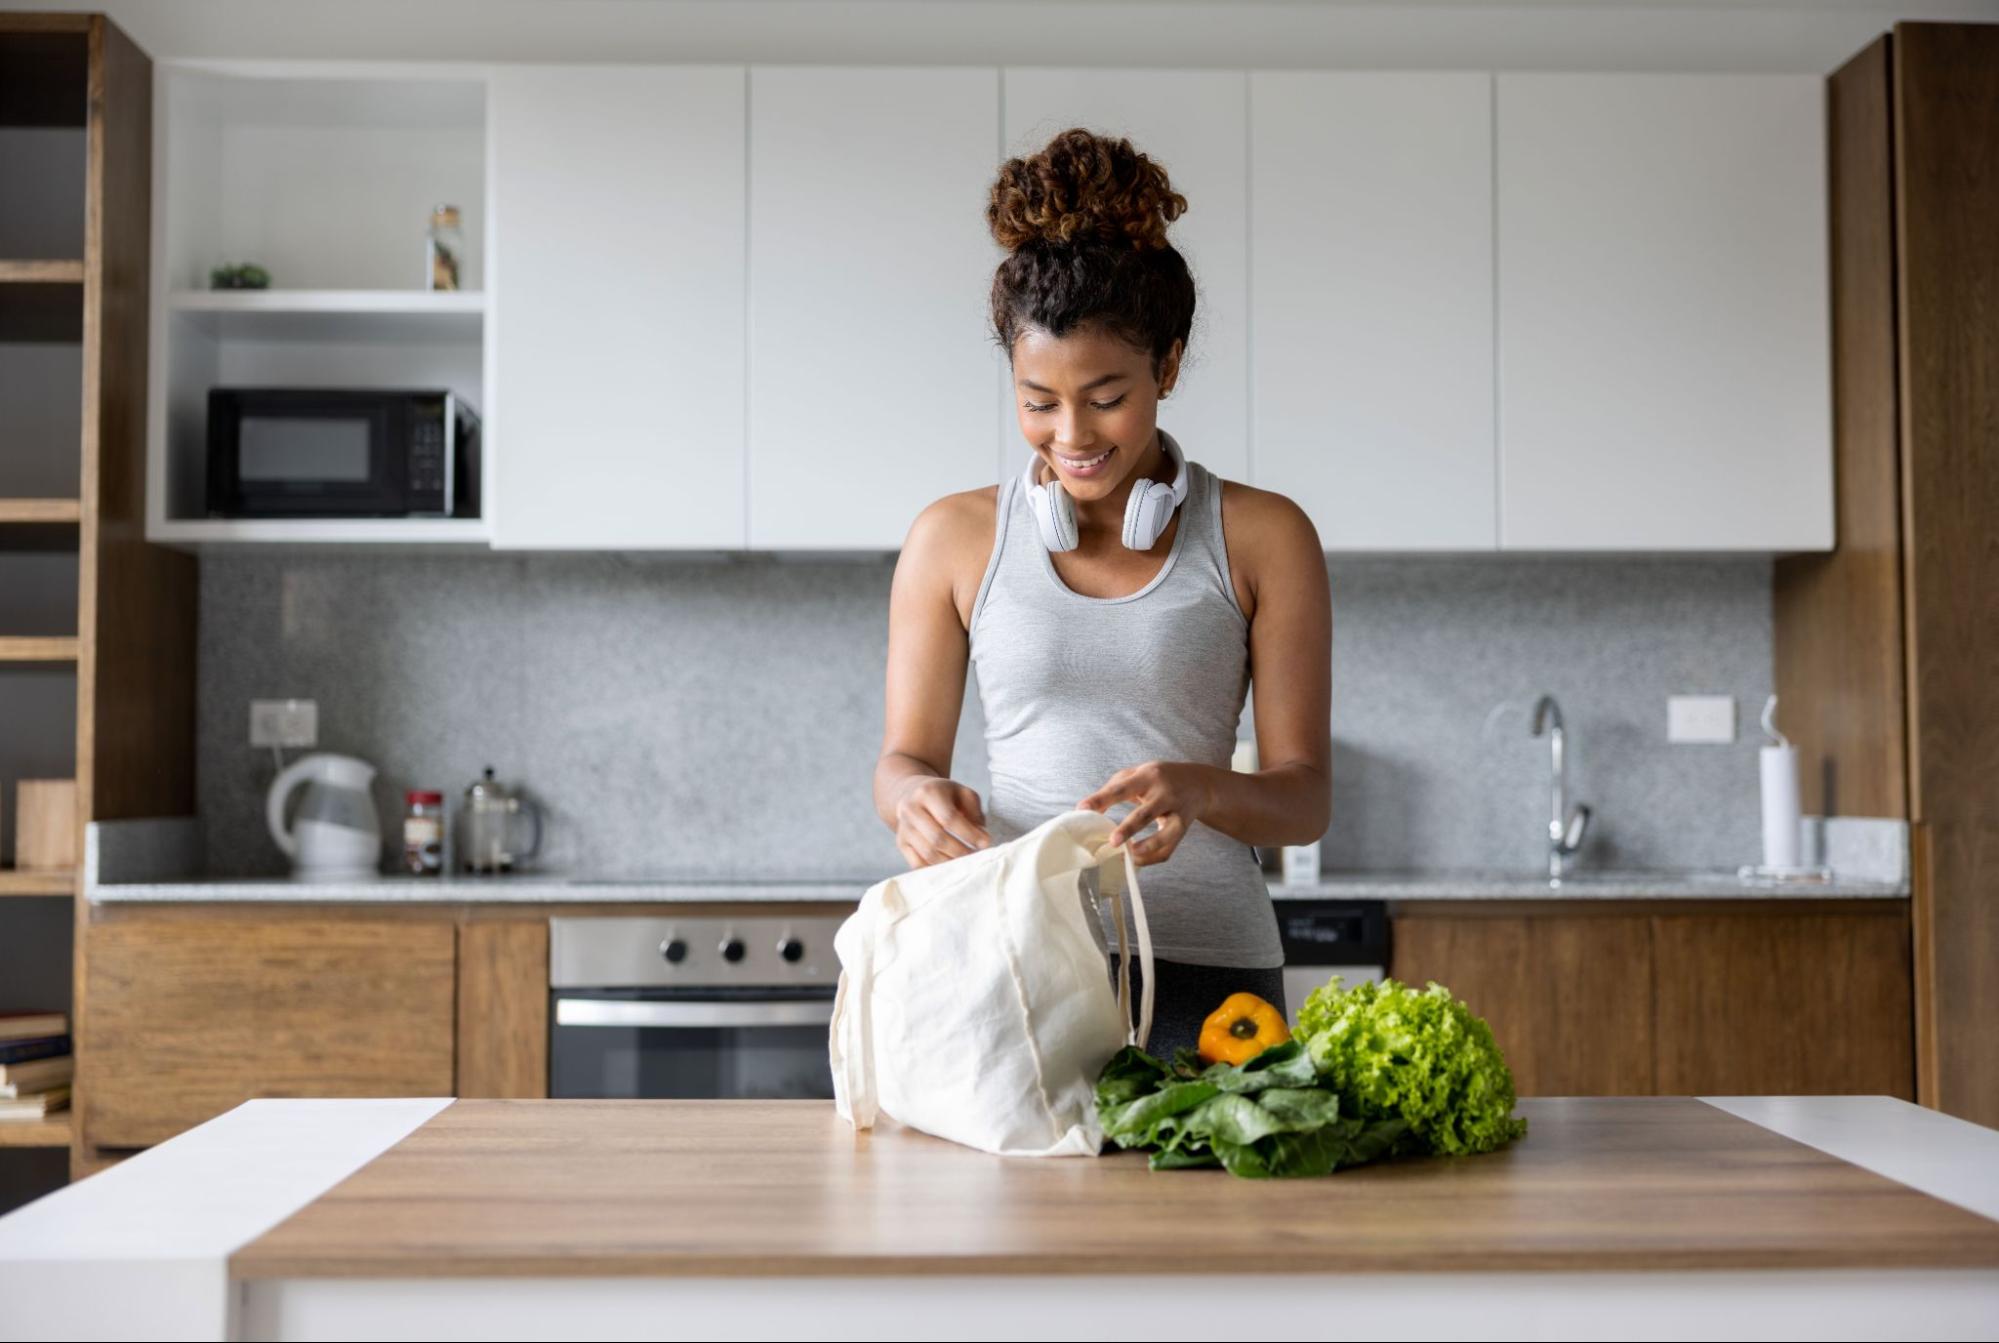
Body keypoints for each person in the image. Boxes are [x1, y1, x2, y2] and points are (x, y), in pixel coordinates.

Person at [872, 127, 1332, 1058]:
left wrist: (1201, 788)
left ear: (1167, 366)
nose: (1070, 433)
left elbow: (1304, 799)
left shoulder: (1263, 535)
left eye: (1107, 395)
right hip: (1016, 958)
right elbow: (901, 760)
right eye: (1037, 400)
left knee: (1210, 1208)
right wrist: (914, 799)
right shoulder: (952, 538)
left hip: (1210, 972)